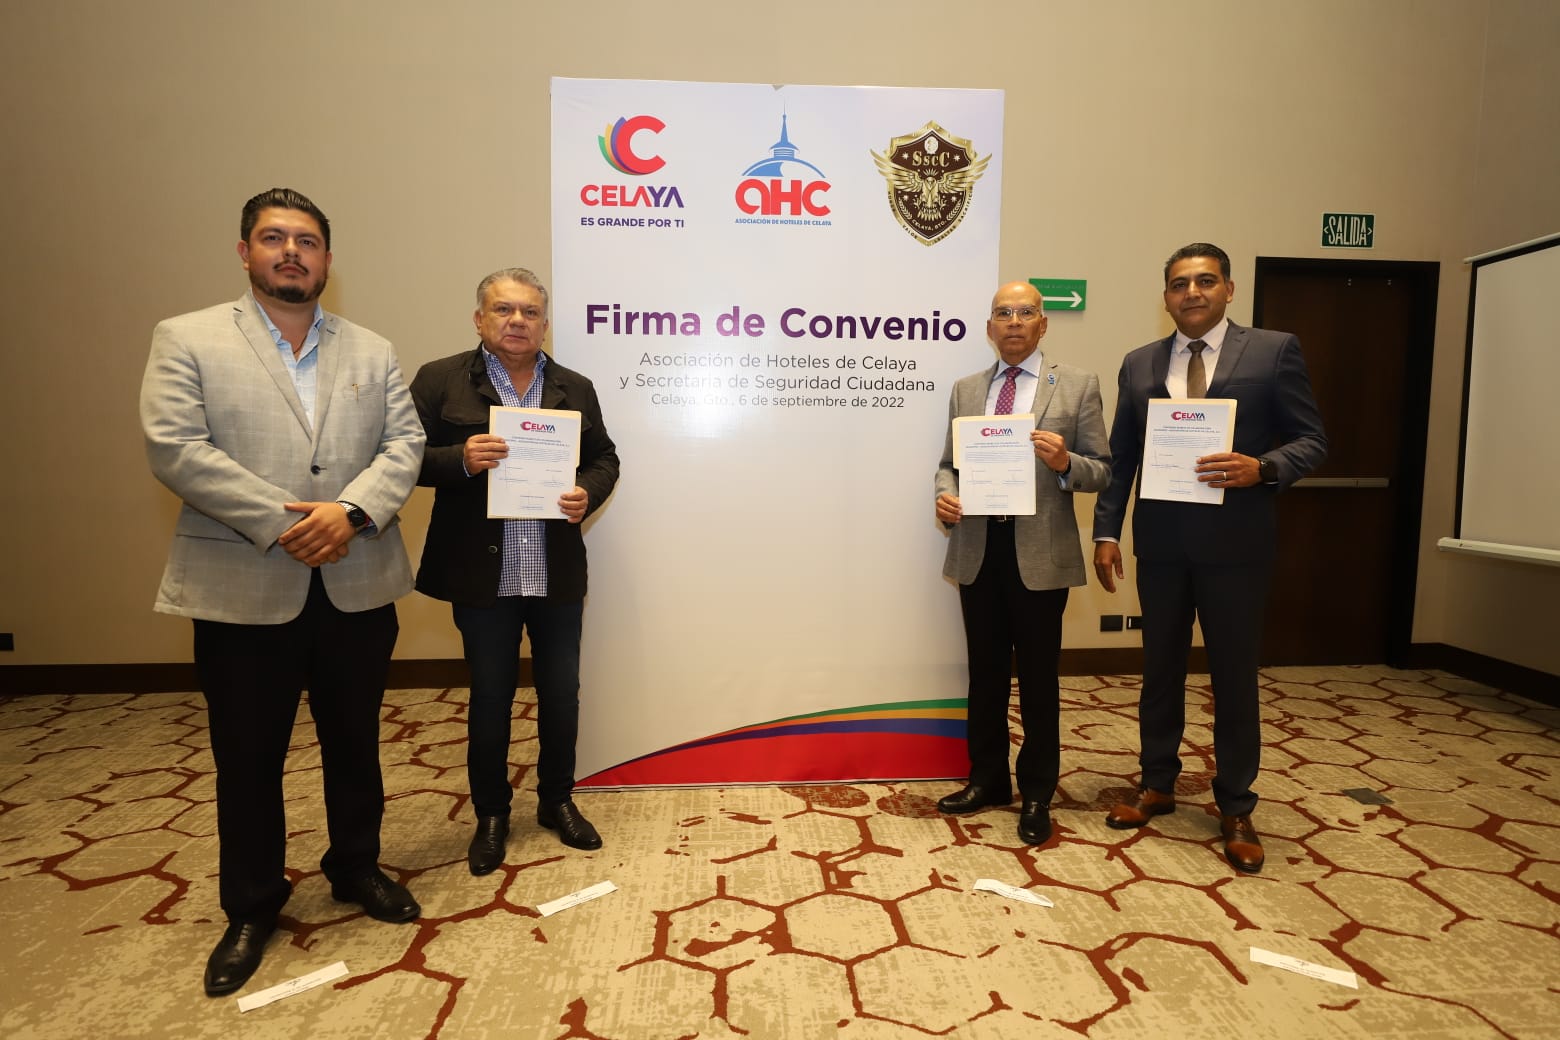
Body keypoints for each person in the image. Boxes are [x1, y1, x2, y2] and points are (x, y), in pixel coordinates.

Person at [140, 188, 426, 996]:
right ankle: (252, 904)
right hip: (242, 588)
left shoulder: (371, 349)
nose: (291, 251)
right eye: (274, 238)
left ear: (328, 259)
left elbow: (404, 445)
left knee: (355, 744)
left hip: (357, 585)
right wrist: (287, 522)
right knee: (247, 757)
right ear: (245, 252)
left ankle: (355, 866)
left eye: (306, 240)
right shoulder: (187, 337)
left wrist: (351, 513)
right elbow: (175, 447)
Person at [1092, 243, 1326, 873]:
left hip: (1236, 548)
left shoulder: (1274, 351)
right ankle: (1157, 783)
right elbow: (1122, 457)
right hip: (1162, 546)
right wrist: (1106, 531)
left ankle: (1236, 805)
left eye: (1204, 281)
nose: (1191, 292)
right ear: (1165, 296)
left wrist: (1263, 467)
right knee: (1159, 670)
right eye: (1178, 284)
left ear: (1228, 289)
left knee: (1233, 678)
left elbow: (1312, 439)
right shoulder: (1140, 363)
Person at [410, 268, 620, 875]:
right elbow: (401, 458)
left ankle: (557, 800)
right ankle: (492, 814)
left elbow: (605, 457)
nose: (517, 321)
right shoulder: (440, 379)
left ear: (544, 324)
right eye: (503, 310)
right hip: (483, 575)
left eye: (529, 312)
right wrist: (459, 458)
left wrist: (586, 492)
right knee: (491, 697)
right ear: (479, 319)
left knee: (561, 694)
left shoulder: (575, 387)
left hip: (554, 572)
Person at [933, 281, 1111, 845]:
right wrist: (945, 494)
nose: (1014, 321)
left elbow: (1102, 470)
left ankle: (1037, 792)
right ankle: (987, 780)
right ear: (990, 327)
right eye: (1003, 313)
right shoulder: (966, 389)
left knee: (1037, 679)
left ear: (1043, 324)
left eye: (1026, 312)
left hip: (1040, 555)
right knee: (985, 674)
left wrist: (1065, 462)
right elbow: (948, 464)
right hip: (978, 550)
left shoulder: (1078, 384)